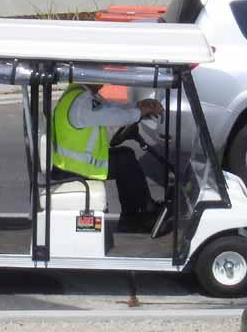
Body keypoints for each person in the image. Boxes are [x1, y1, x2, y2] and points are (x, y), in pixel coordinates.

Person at [51, 83, 164, 231]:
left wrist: (136, 107)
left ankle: (134, 216)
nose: (104, 82)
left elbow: (109, 107)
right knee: (125, 162)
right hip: (73, 168)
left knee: (125, 155)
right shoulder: (82, 101)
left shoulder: (79, 95)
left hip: (69, 164)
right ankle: (139, 215)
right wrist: (138, 112)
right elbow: (110, 116)